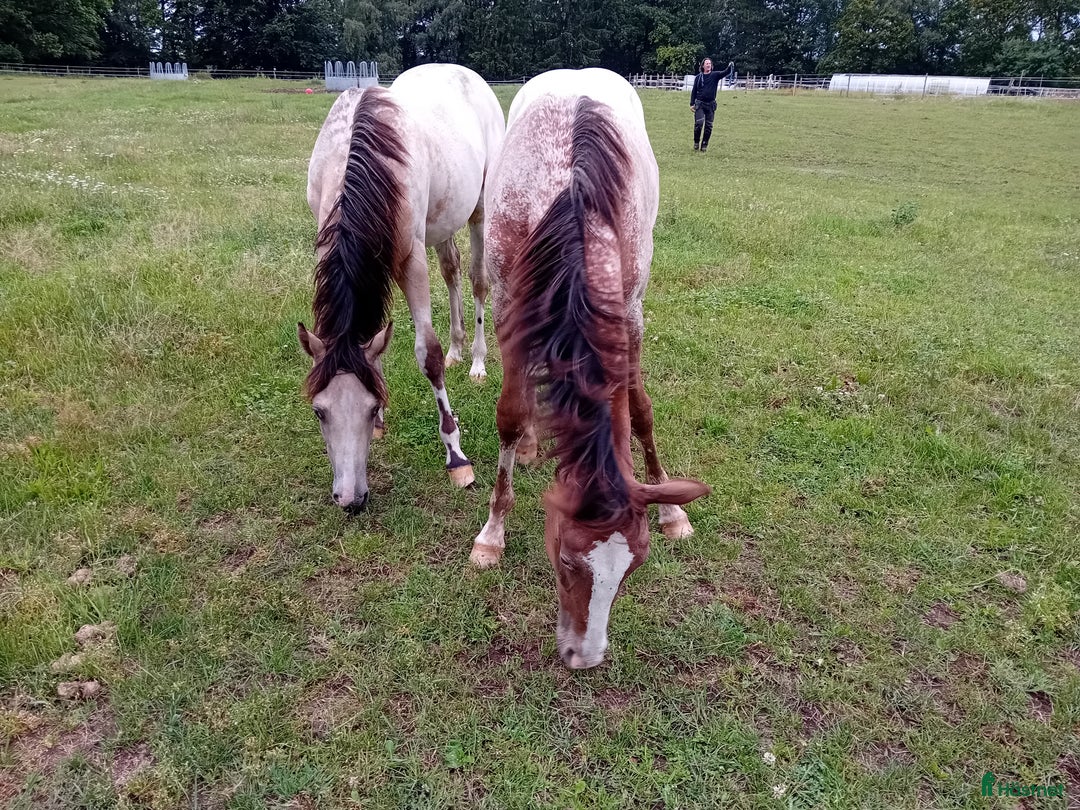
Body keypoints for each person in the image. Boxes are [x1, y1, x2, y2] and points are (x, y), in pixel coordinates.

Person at [690, 58, 734, 152]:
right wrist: (691, 103)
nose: (708, 65)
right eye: (706, 63)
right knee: (699, 123)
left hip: (711, 105)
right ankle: (696, 142)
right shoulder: (698, 77)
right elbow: (694, 91)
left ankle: (704, 145)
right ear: (703, 66)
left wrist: (730, 67)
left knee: (709, 126)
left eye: (709, 63)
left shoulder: (715, 75)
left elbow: (725, 72)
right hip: (700, 104)